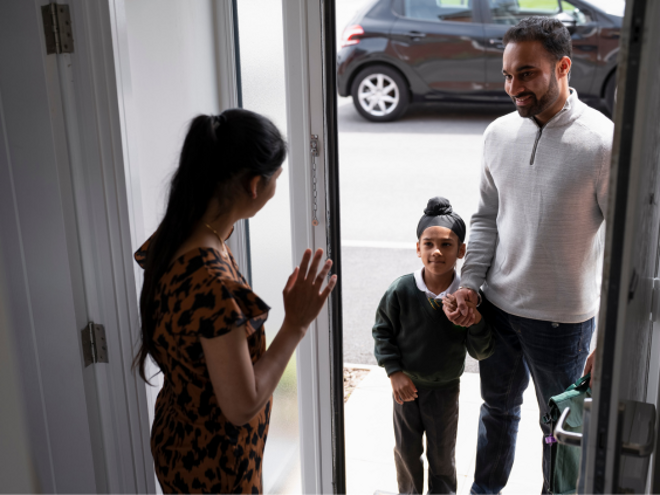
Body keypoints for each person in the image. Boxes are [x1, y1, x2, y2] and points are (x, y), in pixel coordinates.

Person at [443, 17, 613, 494]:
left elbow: (625, 250)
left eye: (526, 74)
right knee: (496, 410)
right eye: (507, 74)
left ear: (562, 67)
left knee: (559, 430)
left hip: (562, 324)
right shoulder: (498, 135)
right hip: (497, 310)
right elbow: (484, 218)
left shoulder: (602, 142)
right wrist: (471, 285)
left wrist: (611, 338)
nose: (512, 87)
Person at [133, 109, 337, 494]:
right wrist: (297, 323)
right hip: (214, 467)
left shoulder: (182, 234)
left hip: (179, 438)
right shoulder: (212, 280)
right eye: (277, 178)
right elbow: (242, 406)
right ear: (255, 185)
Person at [372, 197, 494, 494]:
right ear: (418, 248)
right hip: (405, 390)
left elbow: (481, 351)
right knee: (406, 453)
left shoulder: (467, 299)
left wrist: (475, 321)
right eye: (428, 244)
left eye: (447, 244)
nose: (436, 251)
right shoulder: (401, 290)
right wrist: (394, 372)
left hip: (444, 392)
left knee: (441, 458)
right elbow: (382, 331)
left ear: (462, 251)